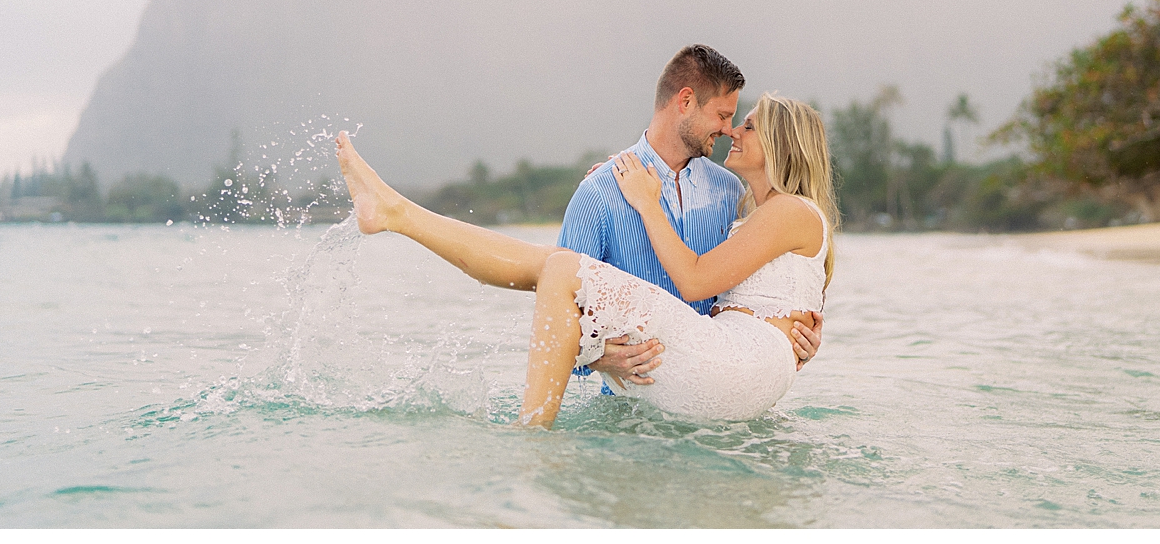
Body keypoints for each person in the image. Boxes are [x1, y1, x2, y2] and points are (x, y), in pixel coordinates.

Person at [335, 90, 840, 428]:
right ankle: (396, 214)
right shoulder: (755, 214)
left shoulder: (791, 210)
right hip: (737, 368)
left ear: (778, 141)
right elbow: (763, 297)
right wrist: (617, 190)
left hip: (737, 365)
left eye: (747, 126)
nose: (734, 132)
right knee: (551, 266)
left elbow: (693, 279)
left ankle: (532, 442)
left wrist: (643, 200)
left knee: (558, 268)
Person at [558, 44, 823, 390]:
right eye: (723, 116)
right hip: (632, 423)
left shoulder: (733, 193)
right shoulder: (598, 194)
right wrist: (599, 357)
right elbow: (556, 321)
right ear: (685, 102)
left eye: (736, 120)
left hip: (721, 418)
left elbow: (773, 282)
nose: (729, 130)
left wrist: (798, 328)